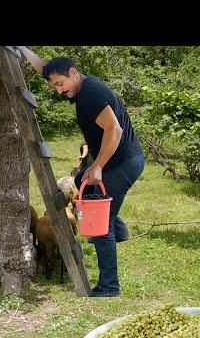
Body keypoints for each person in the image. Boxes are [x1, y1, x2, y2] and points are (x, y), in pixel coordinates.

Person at [16, 47, 145, 297]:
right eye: (54, 86)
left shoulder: (90, 95)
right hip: (120, 160)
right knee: (78, 180)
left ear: (73, 73)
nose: (59, 90)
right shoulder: (81, 84)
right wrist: (20, 48)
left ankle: (109, 286)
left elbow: (114, 130)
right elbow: (44, 67)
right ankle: (119, 229)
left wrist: (97, 166)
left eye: (61, 84)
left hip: (123, 163)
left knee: (100, 224)